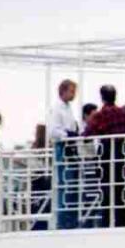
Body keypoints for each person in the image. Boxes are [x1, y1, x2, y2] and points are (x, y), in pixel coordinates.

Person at [83, 85, 125, 226]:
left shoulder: (99, 116)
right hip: (121, 155)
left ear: (102, 97)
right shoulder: (124, 114)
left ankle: (106, 223)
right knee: (120, 191)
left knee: (106, 193)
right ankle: (121, 222)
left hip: (106, 156)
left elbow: (86, 136)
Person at [45, 79, 81, 229]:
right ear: (63, 91)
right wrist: (68, 135)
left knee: (72, 184)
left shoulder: (68, 108)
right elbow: (53, 131)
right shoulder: (57, 109)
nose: (73, 94)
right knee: (65, 184)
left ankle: (71, 219)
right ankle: (64, 220)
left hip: (70, 147)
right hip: (63, 147)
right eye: (71, 91)